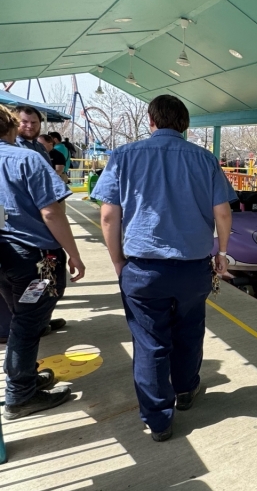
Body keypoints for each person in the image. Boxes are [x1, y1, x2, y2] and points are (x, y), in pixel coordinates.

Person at [92, 95, 237, 442]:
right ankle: (186, 391)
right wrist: (222, 253)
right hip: (192, 269)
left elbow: (109, 215)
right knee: (189, 329)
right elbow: (224, 213)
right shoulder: (205, 160)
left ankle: (158, 421)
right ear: (184, 124)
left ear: (151, 120)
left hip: (142, 269)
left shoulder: (124, 156)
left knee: (150, 343)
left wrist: (117, 261)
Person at [0, 105, 86, 419]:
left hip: (5, 259)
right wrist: (73, 253)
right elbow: (51, 212)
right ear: (11, 128)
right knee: (28, 322)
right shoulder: (27, 159)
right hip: (35, 259)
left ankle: (23, 378)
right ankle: (20, 394)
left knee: (20, 318)